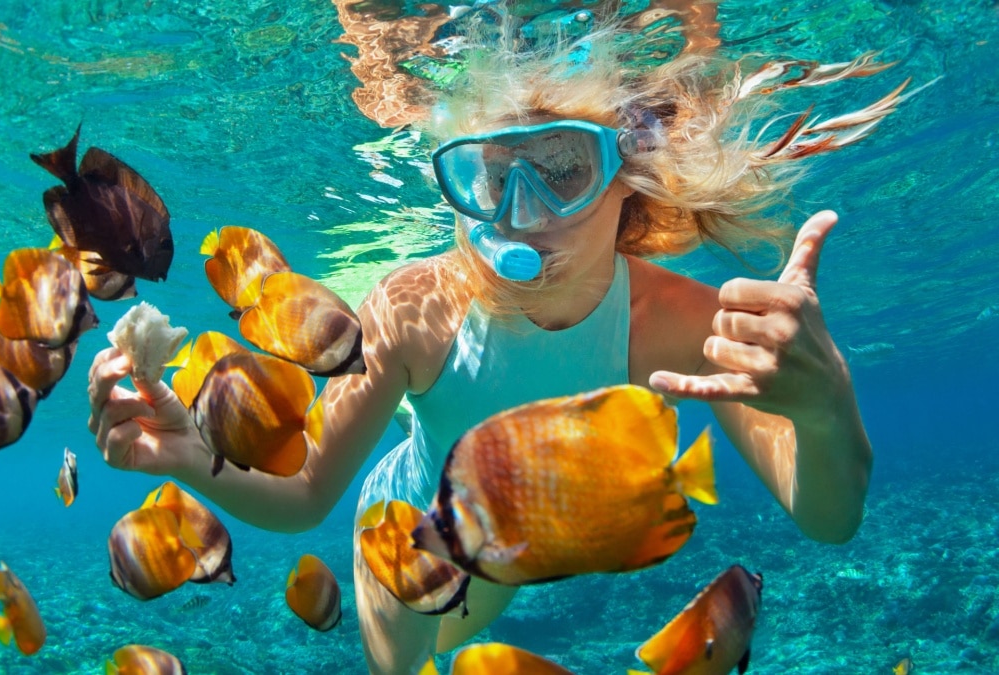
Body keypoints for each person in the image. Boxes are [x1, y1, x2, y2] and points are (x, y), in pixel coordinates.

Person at [87, 14, 898, 674]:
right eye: (489, 174)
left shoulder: (681, 323)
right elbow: (304, 496)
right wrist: (188, 458)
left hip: (514, 534)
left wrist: (825, 401)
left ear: (627, 178)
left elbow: (828, 519)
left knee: (462, 638)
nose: (520, 210)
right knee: (415, 659)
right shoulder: (416, 311)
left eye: (560, 166)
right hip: (400, 533)